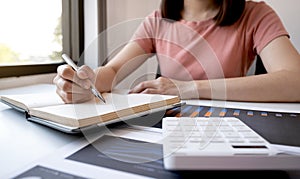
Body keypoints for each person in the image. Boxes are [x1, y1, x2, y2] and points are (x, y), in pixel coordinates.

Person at [54, 0, 300, 104]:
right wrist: (85, 82)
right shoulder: (157, 21)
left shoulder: (256, 15)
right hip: (169, 125)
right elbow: (114, 70)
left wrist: (187, 88)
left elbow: (295, 81)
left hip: (227, 123)